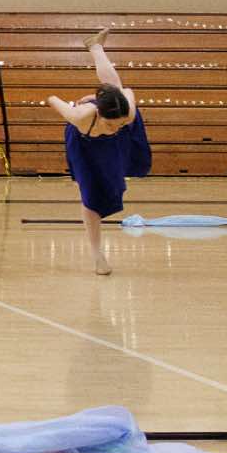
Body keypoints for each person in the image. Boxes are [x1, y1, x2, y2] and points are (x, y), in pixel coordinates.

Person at [46, 28, 150, 275]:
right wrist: (75, 105)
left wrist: (114, 118)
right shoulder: (81, 117)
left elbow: (127, 93)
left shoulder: (127, 115)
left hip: (112, 138)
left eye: (120, 124)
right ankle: (97, 257)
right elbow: (52, 99)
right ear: (99, 114)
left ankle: (95, 46)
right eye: (111, 125)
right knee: (91, 197)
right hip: (85, 144)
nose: (115, 128)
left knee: (115, 88)